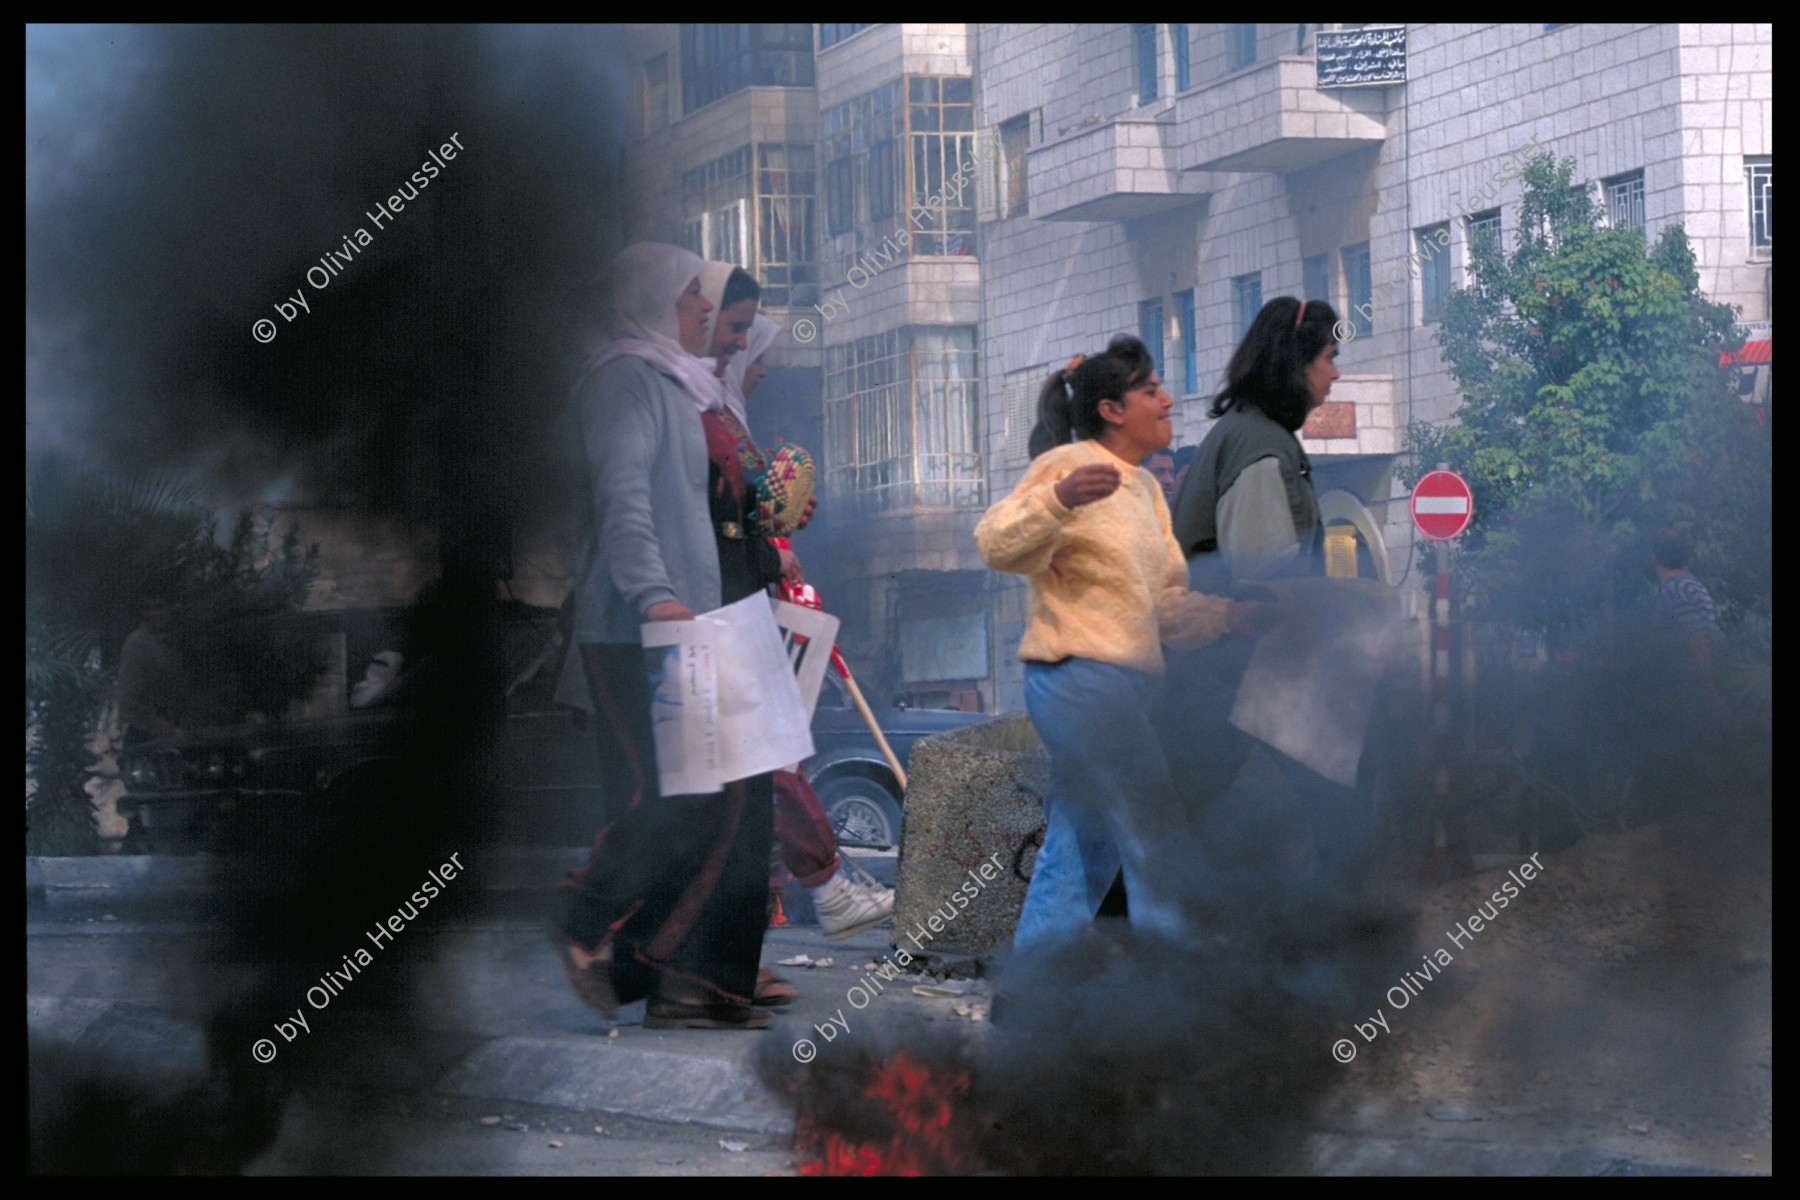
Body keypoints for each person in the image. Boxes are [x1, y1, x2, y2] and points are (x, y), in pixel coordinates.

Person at [976, 335, 1271, 948]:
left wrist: (1231, 617)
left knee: (1082, 838)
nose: (1167, 401)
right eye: (1151, 390)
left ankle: (1030, 991)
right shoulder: (1067, 466)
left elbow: (1165, 608)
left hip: (1122, 687)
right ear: (1112, 410)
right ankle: (1174, 988)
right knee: (1154, 830)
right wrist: (1057, 499)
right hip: (1081, 680)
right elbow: (996, 543)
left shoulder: (1143, 492)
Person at [551, 242, 775, 1031]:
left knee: (716, 801)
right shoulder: (622, 379)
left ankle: (656, 972)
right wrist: (655, 598)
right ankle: (585, 919)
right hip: (637, 632)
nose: (704, 318)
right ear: (648, 298)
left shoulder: (680, 383)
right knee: (676, 799)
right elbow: (625, 504)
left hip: (693, 627)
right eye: (691, 300)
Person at [1166, 296, 1366, 884]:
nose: (1335, 372)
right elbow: (1264, 567)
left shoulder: (1257, 435)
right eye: (1329, 356)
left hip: (1229, 673)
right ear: (1295, 362)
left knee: (1198, 815)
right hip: (1235, 671)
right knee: (1323, 802)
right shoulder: (1259, 447)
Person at [724, 314, 891, 939]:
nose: (756, 361)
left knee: (764, 766)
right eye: (746, 344)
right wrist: (769, 548)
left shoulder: (727, 414)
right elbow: (720, 526)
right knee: (760, 766)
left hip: (743, 611)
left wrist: (777, 512)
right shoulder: (694, 408)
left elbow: (749, 514)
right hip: (715, 617)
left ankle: (752, 927)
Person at [117, 586, 187, 746]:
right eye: (148, 608)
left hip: (178, 732)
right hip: (147, 738)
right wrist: (155, 724)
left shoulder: (179, 638)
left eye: (159, 607)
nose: (154, 614)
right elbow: (128, 702)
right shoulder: (137, 645)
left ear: (171, 607)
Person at [1652, 527, 1716, 674]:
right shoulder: (1691, 585)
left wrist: (1711, 690)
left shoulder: (1676, 589)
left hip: (1685, 681)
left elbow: (1697, 641)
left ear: (1654, 558)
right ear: (1688, 557)